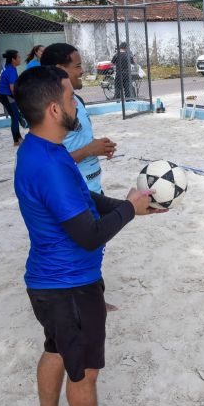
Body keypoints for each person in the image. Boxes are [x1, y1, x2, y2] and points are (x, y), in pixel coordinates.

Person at [13, 65, 163, 406]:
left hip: (48, 282)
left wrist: (131, 209)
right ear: (53, 109)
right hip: (70, 286)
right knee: (83, 369)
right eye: (68, 97)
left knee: (57, 350)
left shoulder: (43, 149)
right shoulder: (48, 165)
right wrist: (128, 210)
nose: (75, 101)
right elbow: (89, 235)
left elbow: (88, 201)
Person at [42, 43, 119, 311]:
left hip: (92, 183)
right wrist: (89, 149)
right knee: (77, 245)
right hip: (72, 189)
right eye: (77, 65)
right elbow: (53, 161)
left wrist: (98, 146)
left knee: (95, 245)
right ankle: (78, 302)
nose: (82, 70)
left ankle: (94, 296)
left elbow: (79, 141)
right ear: (59, 70)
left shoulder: (78, 102)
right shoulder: (51, 110)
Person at [0, 49, 23, 146]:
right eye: (18, 57)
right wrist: (19, 98)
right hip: (7, 95)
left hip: (4, 94)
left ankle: (18, 138)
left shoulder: (8, 67)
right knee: (15, 116)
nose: (20, 59)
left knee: (15, 115)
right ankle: (17, 140)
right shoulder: (11, 70)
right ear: (13, 59)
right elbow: (12, 88)